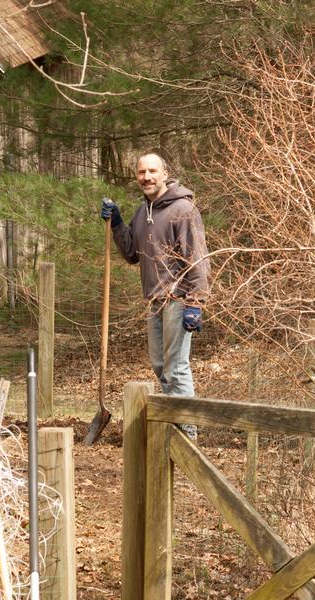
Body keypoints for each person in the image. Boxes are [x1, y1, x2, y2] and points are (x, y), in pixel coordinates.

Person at [100, 153, 209, 438]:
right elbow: (131, 254)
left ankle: (188, 435)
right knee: (160, 367)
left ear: (164, 174)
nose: (146, 177)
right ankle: (173, 428)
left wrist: (195, 302)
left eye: (151, 171)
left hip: (178, 298)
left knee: (176, 368)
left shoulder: (183, 209)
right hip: (154, 301)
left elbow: (197, 257)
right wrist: (117, 223)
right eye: (140, 172)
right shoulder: (142, 212)